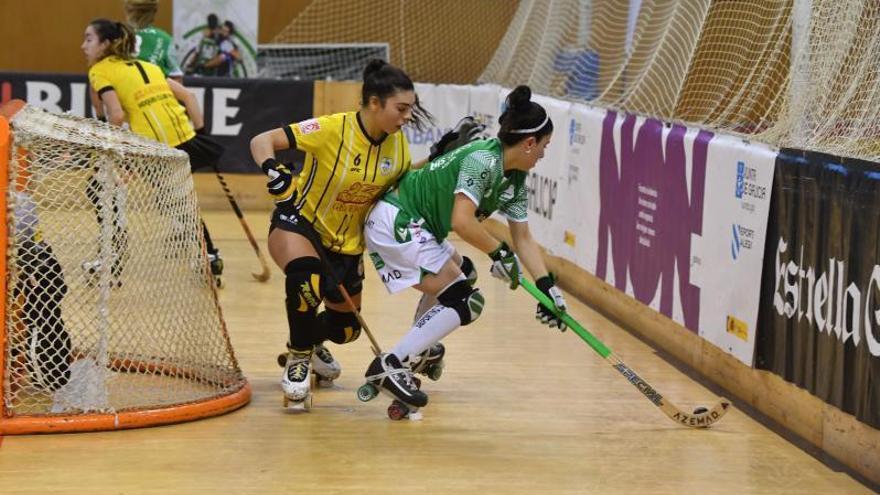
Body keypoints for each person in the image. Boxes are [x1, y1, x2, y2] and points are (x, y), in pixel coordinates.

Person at [361, 85, 568, 418]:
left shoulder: (513, 179)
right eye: (544, 146)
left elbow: (524, 238)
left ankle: (417, 350)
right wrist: (500, 253)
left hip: (417, 223)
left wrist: (548, 289)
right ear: (530, 143)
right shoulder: (483, 160)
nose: (543, 154)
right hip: (397, 219)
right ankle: (391, 363)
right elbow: (462, 221)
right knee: (465, 300)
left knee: (464, 274)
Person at [249, 59, 434, 406]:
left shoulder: (398, 146)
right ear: (375, 102)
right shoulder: (332, 128)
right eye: (402, 108)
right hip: (299, 223)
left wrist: (439, 158)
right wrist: (273, 170)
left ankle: (309, 340)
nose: (408, 117)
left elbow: (401, 189)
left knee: (346, 329)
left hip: (348, 245)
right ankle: (299, 359)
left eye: (411, 109)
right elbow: (262, 140)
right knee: (307, 277)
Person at [82, 19, 225, 286]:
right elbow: (190, 98)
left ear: (105, 44)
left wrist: (110, 153)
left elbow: (116, 114)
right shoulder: (148, 66)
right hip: (186, 139)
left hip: (154, 148)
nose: (83, 46)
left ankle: (111, 261)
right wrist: (202, 134)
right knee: (178, 203)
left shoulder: (100, 70)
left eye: (89, 39)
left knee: (98, 187)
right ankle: (211, 257)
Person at [123, 0, 184, 81]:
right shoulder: (165, 39)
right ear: (154, 12)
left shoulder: (115, 35)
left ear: (127, 10)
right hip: (156, 90)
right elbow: (177, 76)